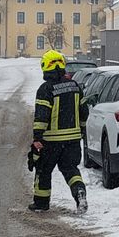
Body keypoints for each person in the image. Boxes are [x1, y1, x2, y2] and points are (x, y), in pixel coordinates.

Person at [29, 49, 88, 213]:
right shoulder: (75, 86)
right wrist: (81, 130)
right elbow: (84, 111)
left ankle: (41, 203)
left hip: (51, 141)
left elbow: (41, 116)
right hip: (73, 140)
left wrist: (37, 138)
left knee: (43, 170)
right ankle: (79, 192)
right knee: (71, 170)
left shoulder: (46, 89)